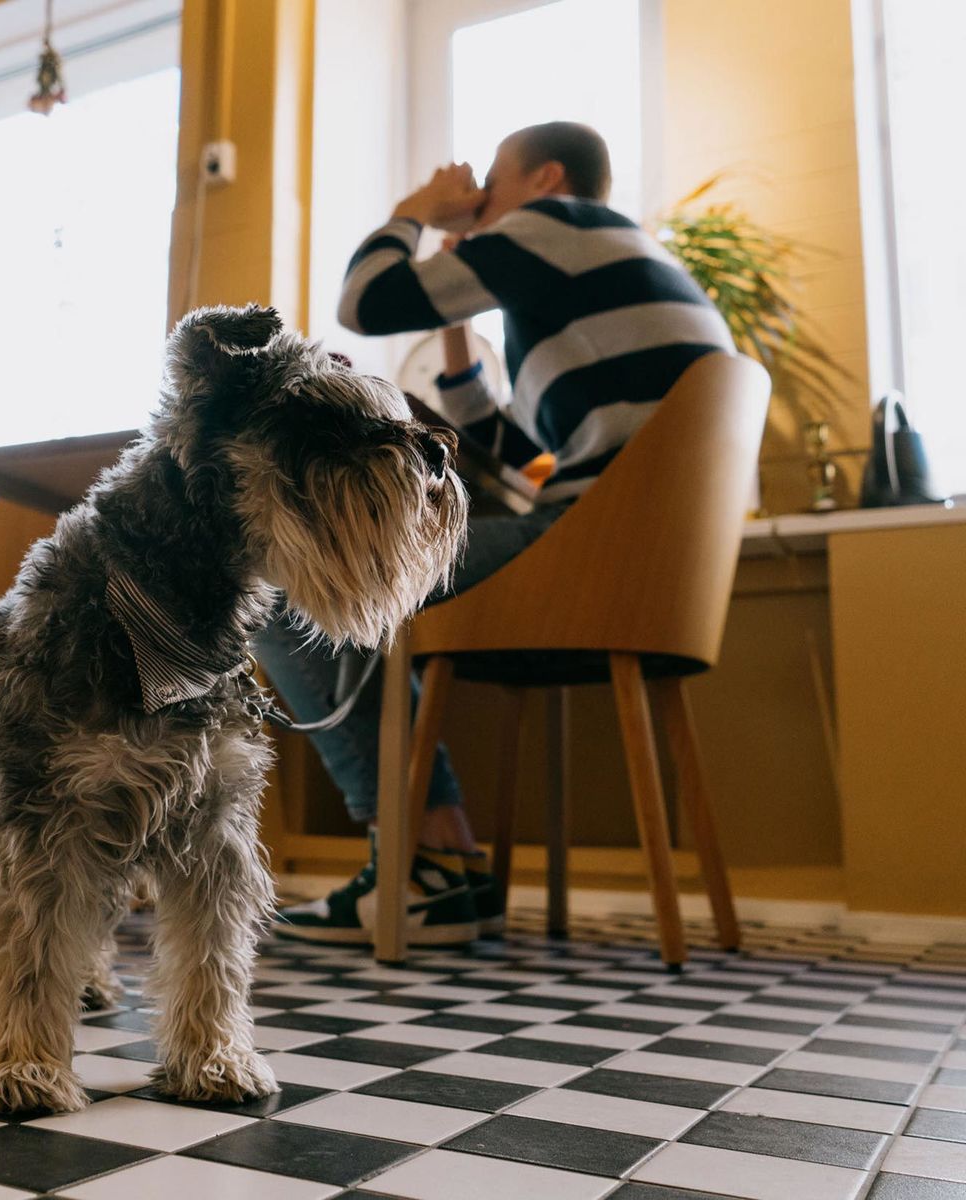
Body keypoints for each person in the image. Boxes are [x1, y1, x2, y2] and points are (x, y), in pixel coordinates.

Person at [260, 121, 732, 945]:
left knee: (290, 586)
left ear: (546, 178)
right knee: (339, 584)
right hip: (651, 566)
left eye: (495, 187)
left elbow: (364, 303)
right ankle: (437, 865)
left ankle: (424, 860)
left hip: (585, 547)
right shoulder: (618, 261)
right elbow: (513, 450)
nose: (484, 203)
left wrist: (416, 210)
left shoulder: (554, 227)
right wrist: (458, 293)